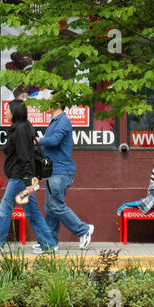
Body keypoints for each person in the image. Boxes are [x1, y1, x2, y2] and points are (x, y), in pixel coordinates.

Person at [0, 99, 59, 252]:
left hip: (19, 178)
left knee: (4, 210)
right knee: (32, 211)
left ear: (15, 112)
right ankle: (48, 244)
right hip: (24, 178)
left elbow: (25, 157)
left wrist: (28, 182)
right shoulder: (23, 126)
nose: (6, 113)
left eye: (8, 110)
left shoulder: (20, 130)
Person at [39, 104, 94, 249]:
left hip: (60, 171)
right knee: (50, 207)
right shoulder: (55, 122)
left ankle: (83, 230)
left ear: (57, 104)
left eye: (49, 100)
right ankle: (50, 243)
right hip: (53, 171)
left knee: (55, 205)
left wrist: (39, 140)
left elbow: (54, 140)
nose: (45, 102)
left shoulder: (64, 121)